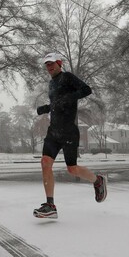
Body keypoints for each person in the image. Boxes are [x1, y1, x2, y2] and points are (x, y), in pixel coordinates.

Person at [33, 52, 107, 219]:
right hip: (54, 130)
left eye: (51, 63)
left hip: (68, 131)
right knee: (45, 162)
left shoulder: (67, 77)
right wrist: (46, 108)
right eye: (46, 64)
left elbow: (86, 90)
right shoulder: (52, 84)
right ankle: (50, 205)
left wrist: (69, 97)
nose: (49, 67)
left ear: (59, 63)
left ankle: (97, 181)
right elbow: (57, 103)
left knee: (72, 169)